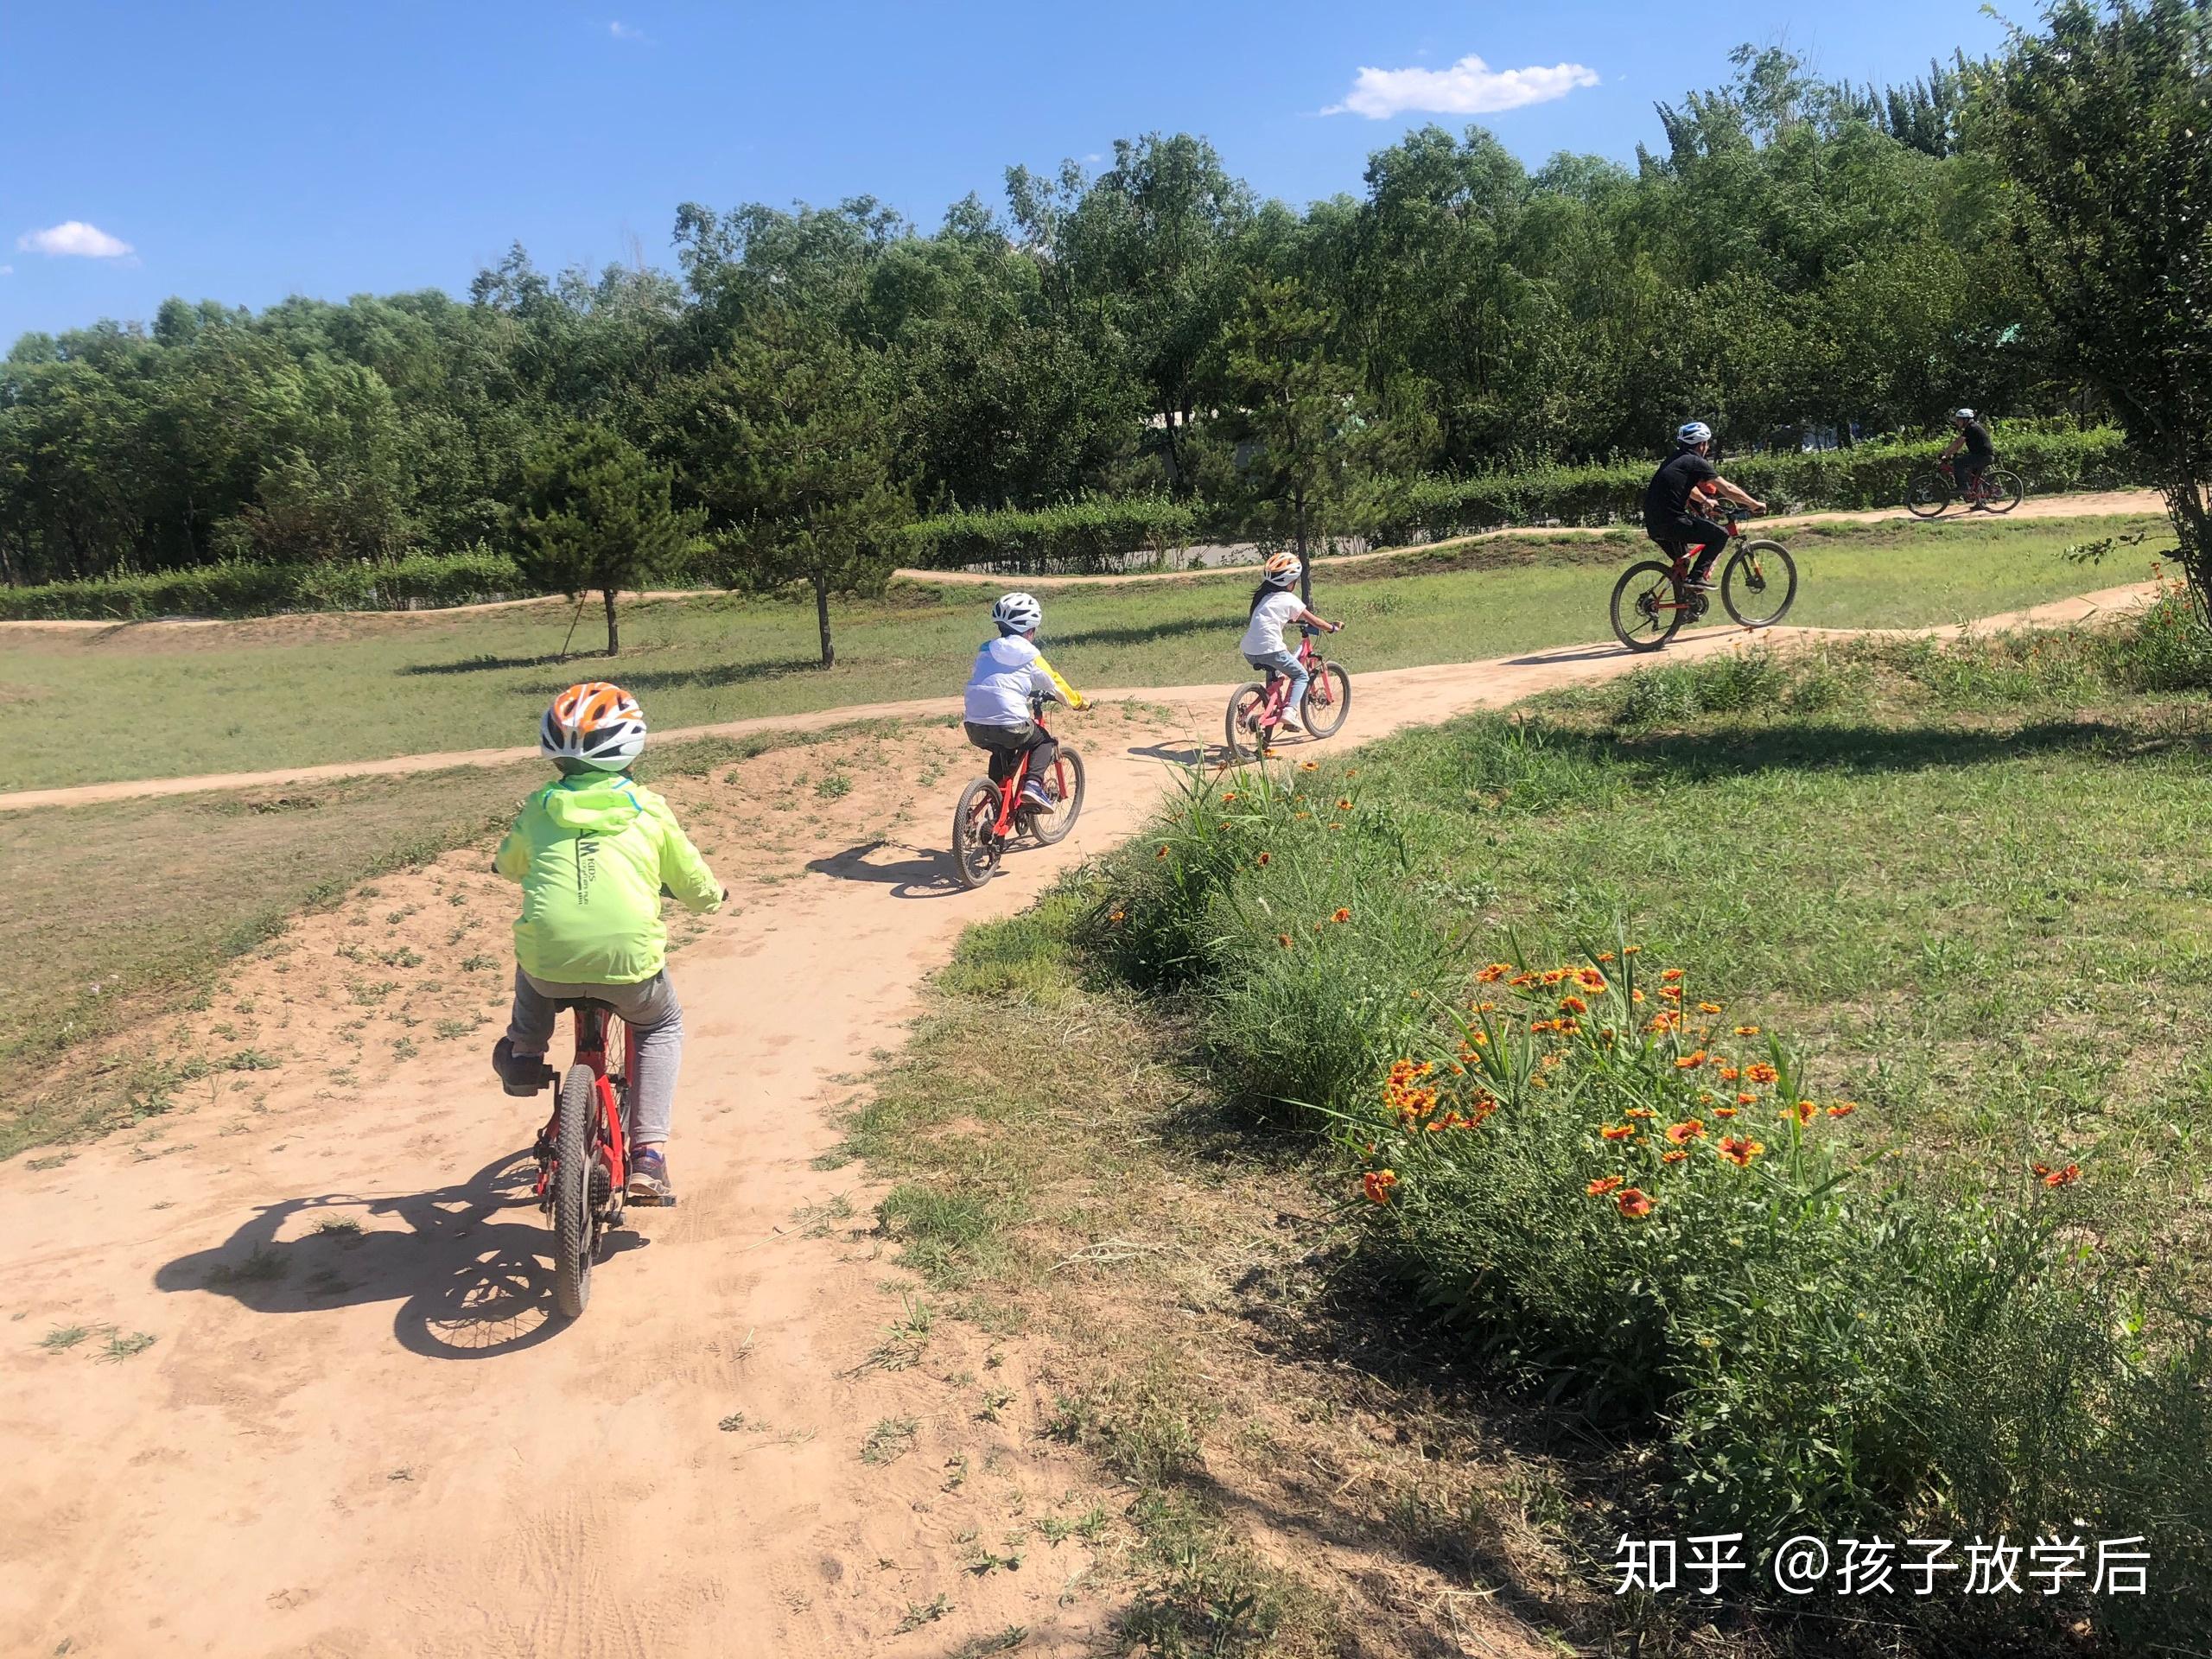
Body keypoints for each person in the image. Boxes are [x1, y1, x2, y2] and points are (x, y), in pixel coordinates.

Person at [488, 682, 724, 1205]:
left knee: (534, 957)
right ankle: (648, 1157)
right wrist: (711, 898)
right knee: (661, 1026)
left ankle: (526, 1051)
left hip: (550, 966)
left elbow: (507, 865)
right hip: (628, 966)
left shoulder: (539, 808)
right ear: (632, 746)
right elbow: (692, 881)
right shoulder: (649, 809)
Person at [963, 592, 1088, 810]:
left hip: (973, 724)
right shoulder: (1031, 655)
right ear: (1030, 631)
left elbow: (985, 677)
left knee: (1000, 750)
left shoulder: (985, 649)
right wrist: (1078, 703)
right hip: (1010, 722)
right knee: (1044, 741)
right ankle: (1033, 785)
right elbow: (1055, 684)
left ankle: (996, 805)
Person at [1643, 421, 1766, 591]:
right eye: (1707, 444)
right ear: (1701, 445)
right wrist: (1753, 504)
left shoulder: (1675, 459)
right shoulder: (1695, 461)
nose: (1707, 448)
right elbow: (1727, 488)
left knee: (1683, 561)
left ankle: (1686, 606)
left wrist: (1706, 501)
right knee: (1720, 535)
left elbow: (1687, 487)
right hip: (1673, 521)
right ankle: (1696, 578)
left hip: (1654, 524)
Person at [1238, 552, 1340, 732]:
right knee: (1301, 675)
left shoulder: (1263, 598)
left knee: (1278, 671)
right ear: (1290, 582)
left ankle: (1270, 706)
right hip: (1271, 650)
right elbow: (1315, 621)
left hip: (1249, 650)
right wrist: (1331, 628)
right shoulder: (1290, 600)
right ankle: (1289, 712)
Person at [1940, 408, 1996, 507]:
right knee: (1974, 478)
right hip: (1982, 456)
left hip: (1983, 456)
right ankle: (1980, 503)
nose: (1957, 422)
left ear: (1966, 420)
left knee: (1958, 462)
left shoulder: (1971, 428)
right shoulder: (1971, 428)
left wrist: (1946, 454)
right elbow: (1958, 446)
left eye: (1959, 420)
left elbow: (1958, 443)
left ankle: (1962, 487)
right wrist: (1949, 453)